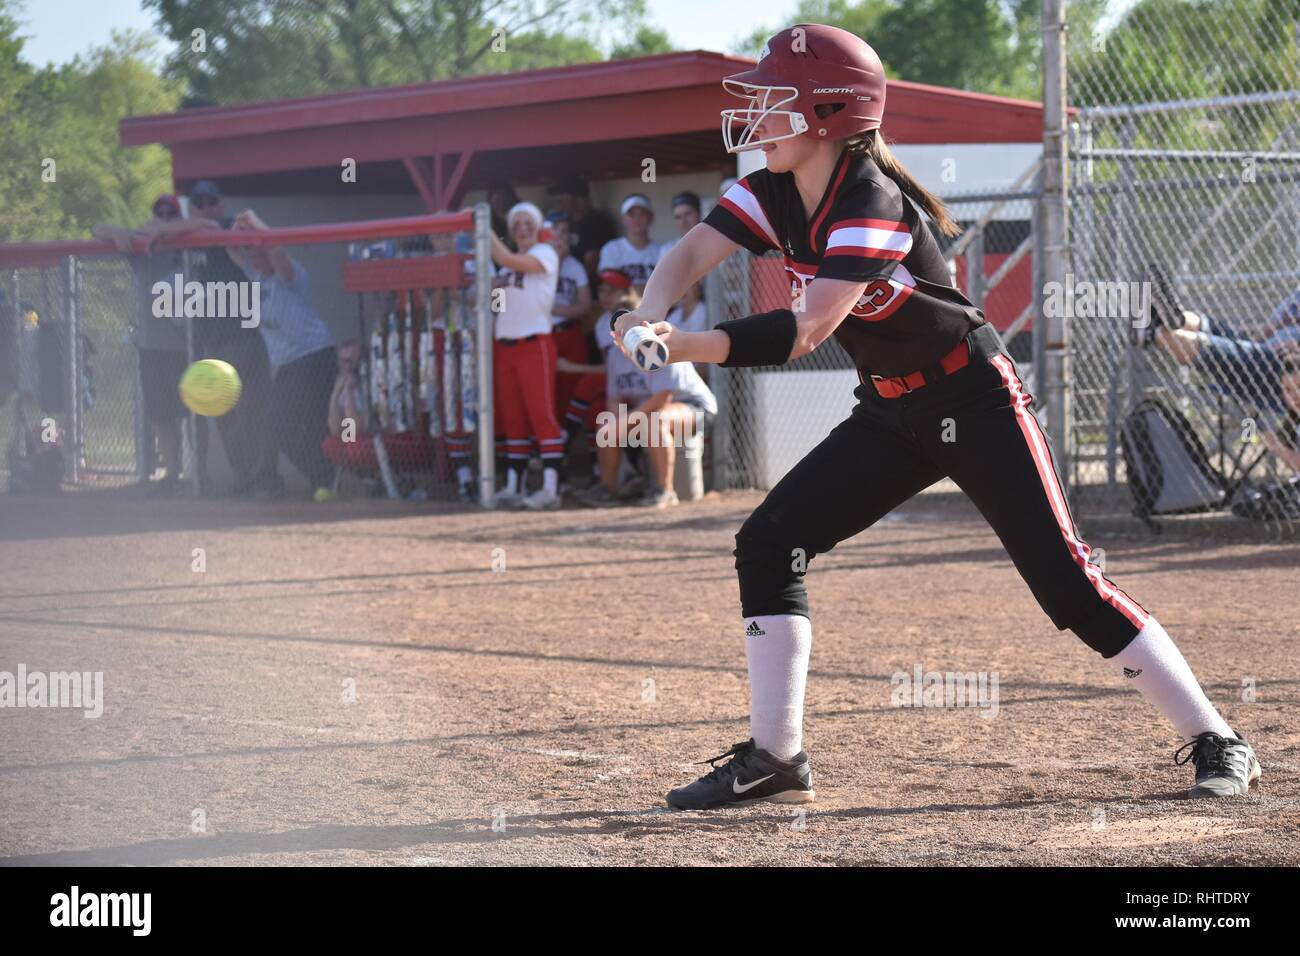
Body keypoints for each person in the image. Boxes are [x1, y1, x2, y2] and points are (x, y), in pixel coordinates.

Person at [611, 24, 1261, 809]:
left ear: (828, 112)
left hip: (974, 399)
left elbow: (808, 330)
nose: (759, 114)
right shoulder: (771, 188)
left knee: (1067, 582)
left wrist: (682, 343)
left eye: (777, 98)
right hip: (891, 411)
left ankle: (1219, 738)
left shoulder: (872, 200)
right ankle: (777, 758)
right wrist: (646, 316)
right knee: (770, 541)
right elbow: (684, 258)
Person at [141, 179, 279, 497]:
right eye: (198, 203)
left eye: (210, 202)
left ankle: (265, 479)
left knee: (251, 412)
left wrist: (205, 224)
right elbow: (149, 227)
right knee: (222, 414)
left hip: (242, 336)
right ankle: (244, 476)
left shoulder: (231, 226)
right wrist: (198, 223)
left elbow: (256, 235)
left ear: (221, 204)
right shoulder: (190, 234)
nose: (204, 207)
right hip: (207, 340)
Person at [228, 209, 338, 501]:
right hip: (288, 365)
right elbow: (230, 249)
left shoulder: (290, 274)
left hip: (314, 355)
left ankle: (326, 479)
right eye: (251, 251)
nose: (255, 255)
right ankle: (324, 478)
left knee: (301, 421)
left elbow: (276, 249)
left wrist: (252, 219)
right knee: (283, 423)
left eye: (258, 250)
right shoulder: (255, 277)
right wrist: (237, 229)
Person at [93, 194, 189, 495]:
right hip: (152, 347)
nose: (163, 217)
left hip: (187, 346)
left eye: (170, 213)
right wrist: (117, 234)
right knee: (161, 414)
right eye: (158, 212)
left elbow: (201, 226)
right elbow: (97, 228)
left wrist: (170, 230)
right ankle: (173, 474)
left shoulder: (191, 240)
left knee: (193, 414)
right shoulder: (142, 248)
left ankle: (197, 474)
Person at [488, 201, 566, 510]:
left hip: (535, 343)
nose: (522, 227)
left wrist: (479, 227)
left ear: (538, 225)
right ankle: (513, 486)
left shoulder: (545, 253)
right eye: (516, 223)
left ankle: (550, 489)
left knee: (541, 415)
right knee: (513, 419)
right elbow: (493, 300)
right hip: (505, 345)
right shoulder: (506, 266)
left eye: (527, 222)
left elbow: (505, 256)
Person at [545, 210, 593, 461]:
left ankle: (568, 454)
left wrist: (556, 308)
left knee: (574, 391)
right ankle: (547, 455)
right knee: (547, 395)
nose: (560, 236)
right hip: (545, 335)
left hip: (570, 332)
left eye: (564, 231)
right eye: (555, 230)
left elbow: (585, 306)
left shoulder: (574, 266)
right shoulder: (537, 261)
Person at [548, 176, 616, 281]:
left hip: (586, 281)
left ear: (576, 200)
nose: (559, 203)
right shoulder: (563, 220)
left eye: (562, 199)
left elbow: (592, 259)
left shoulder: (597, 222)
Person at [597, 194, 662, 291]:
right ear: (623, 219)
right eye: (631, 214)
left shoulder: (662, 250)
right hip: (622, 305)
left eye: (642, 213)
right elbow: (609, 286)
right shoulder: (611, 249)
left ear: (651, 217)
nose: (637, 218)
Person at [660, 191, 703, 257]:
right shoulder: (668, 249)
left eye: (688, 214)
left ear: (699, 213)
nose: (683, 221)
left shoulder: (715, 244)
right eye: (678, 217)